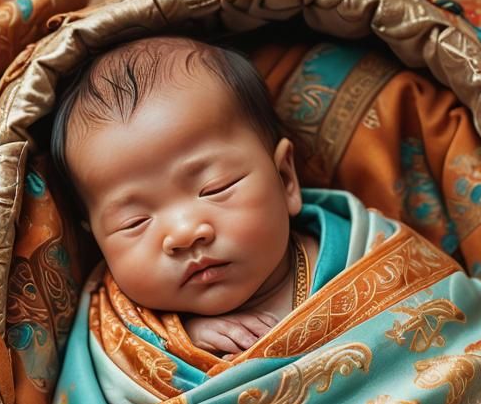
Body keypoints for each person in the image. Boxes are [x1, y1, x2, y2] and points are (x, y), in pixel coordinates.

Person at [50, 35, 319, 359]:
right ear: (97, 244)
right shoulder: (112, 331)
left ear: (285, 179)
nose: (183, 233)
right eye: (135, 222)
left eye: (216, 188)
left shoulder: (363, 256)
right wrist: (180, 344)